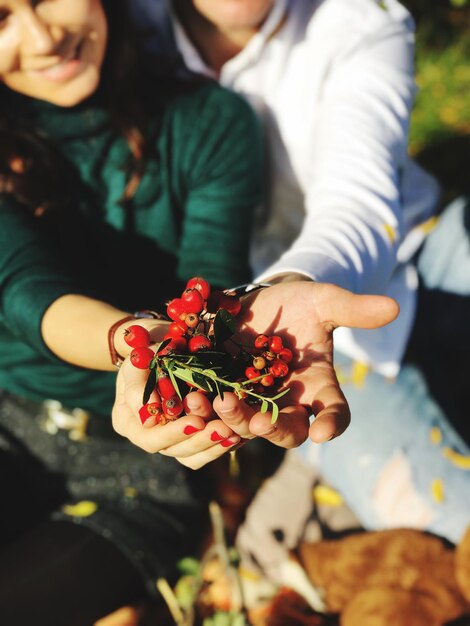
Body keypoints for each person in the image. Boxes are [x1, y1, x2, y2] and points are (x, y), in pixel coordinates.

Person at [123, 0, 470, 547]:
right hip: (301, 349)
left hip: (421, 255)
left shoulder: (356, 19)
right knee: (453, 521)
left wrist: (295, 281)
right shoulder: (111, 31)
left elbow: (357, 202)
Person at [0, 0, 268, 622]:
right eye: (1, 19)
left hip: (143, 466)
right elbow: (24, 290)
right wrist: (129, 338)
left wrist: (159, 347)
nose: (43, 38)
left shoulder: (210, 123)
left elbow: (208, 294)